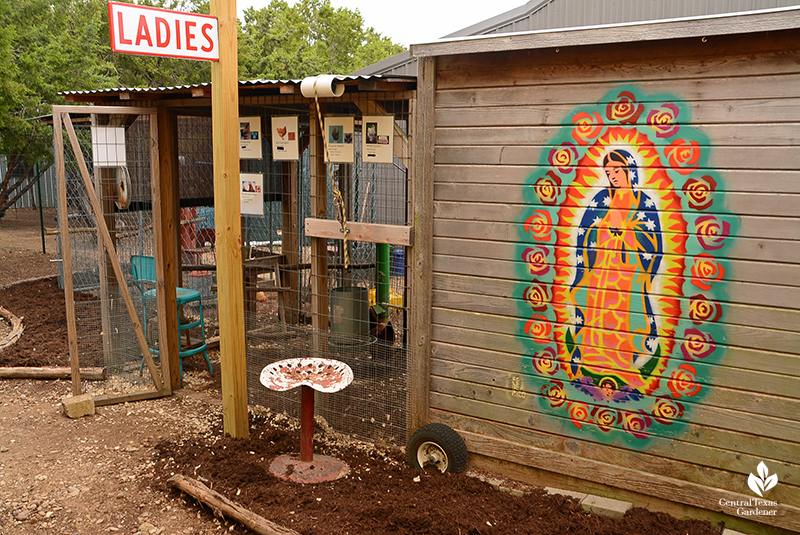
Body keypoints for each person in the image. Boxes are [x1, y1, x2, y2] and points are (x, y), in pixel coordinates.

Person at [565, 149, 663, 402]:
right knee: (597, 318)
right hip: (600, 274)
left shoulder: (644, 202)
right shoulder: (601, 198)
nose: (613, 176)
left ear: (630, 170)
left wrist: (627, 231)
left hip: (629, 275)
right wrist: (605, 229)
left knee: (625, 320)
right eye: (609, 172)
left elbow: (654, 242)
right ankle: (594, 362)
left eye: (617, 170)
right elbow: (584, 235)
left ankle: (623, 363)